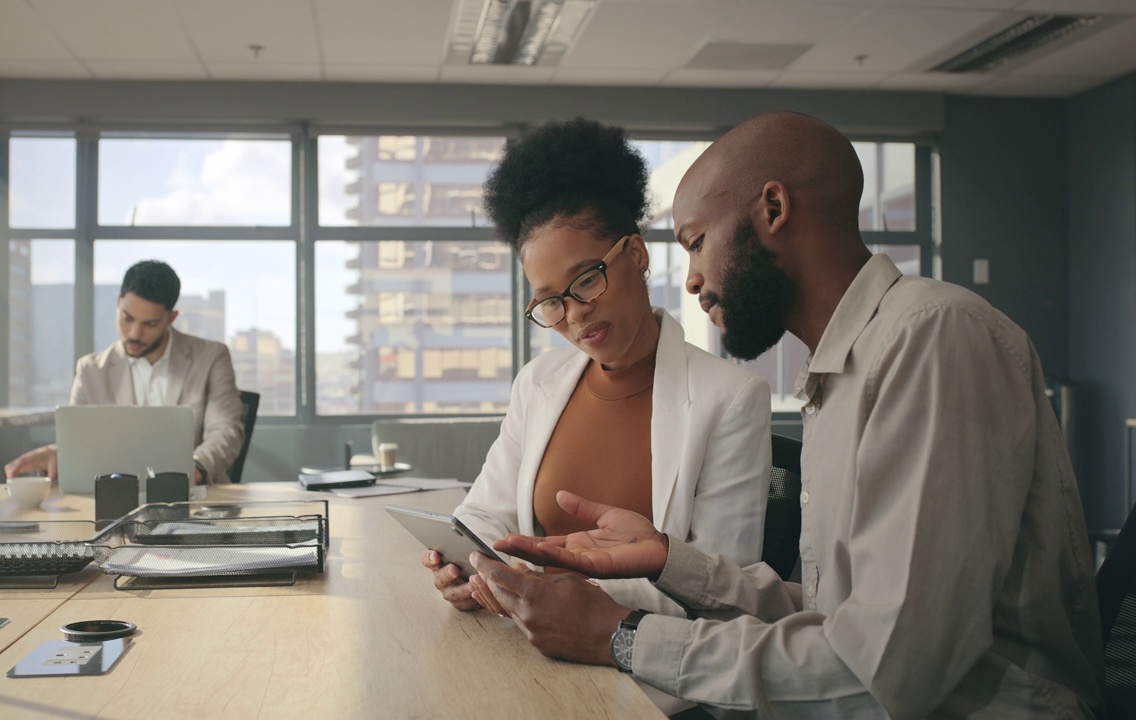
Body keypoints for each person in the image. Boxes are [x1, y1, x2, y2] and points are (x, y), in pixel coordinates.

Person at [471, 111, 1105, 718]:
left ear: (773, 210)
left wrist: (625, 636)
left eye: (697, 243)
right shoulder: (842, 371)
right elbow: (839, 619)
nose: (690, 281)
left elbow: (889, 668)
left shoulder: (932, 336)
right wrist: (669, 559)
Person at [427, 119, 771, 711]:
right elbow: (483, 510)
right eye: (549, 302)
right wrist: (466, 565)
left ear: (635, 253)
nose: (574, 315)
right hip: (527, 659)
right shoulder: (539, 383)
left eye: (585, 279)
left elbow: (723, 587)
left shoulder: (729, 396)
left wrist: (564, 596)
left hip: (645, 684)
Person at [5, 260, 244, 485]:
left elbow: (225, 430)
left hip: (192, 497)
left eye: (150, 324)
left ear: (171, 318)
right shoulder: (90, 371)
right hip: (116, 497)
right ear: (118, 303)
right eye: (127, 318)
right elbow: (81, 442)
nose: (134, 334)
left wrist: (195, 467)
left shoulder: (210, 357)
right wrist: (59, 453)